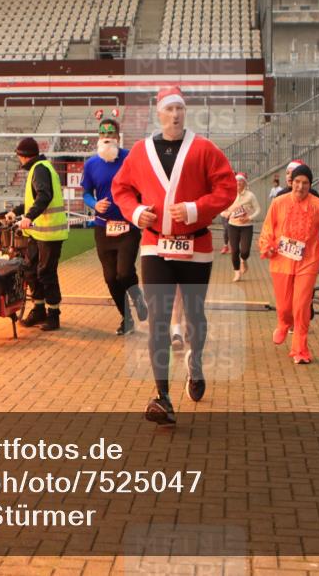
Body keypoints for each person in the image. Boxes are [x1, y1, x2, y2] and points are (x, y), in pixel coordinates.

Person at [112, 85, 237, 425]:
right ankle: (162, 396)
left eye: (180, 108)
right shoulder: (141, 151)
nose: (176, 114)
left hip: (196, 246)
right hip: (155, 245)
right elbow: (121, 189)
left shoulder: (204, 149)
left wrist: (197, 209)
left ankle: (194, 363)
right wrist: (136, 212)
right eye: (170, 109)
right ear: (159, 113)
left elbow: (227, 188)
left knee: (194, 315)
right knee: (158, 320)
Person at [259, 163, 319, 365]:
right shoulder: (278, 203)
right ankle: (283, 322)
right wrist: (267, 246)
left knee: (301, 305)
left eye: (305, 183)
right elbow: (267, 229)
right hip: (281, 260)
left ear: (310, 184)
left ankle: (300, 349)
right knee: (284, 306)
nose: (300, 186)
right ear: (291, 182)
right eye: (297, 181)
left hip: (308, 260)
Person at [81, 115, 147, 335]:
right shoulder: (91, 164)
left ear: (118, 136)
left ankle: (137, 295)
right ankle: (126, 318)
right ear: (98, 137)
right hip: (103, 228)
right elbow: (86, 193)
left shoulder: (130, 158)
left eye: (110, 133)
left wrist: (141, 209)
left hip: (128, 226)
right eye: (103, 133)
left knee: (124, 273)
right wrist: (94, 204)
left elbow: (144, 186)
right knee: (110, 278)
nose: (106, 137)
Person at [6, 137, 68, 331]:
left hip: (49, 233)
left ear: (23, 156)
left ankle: (53, 315)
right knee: (31, 271)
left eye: (18, 156)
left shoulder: (40, 169)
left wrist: (29, 217)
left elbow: (44, 196)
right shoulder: (39, 168)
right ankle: (39, 310)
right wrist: (16, 212)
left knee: (46, 273)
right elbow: (34, 200)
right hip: (38, 232)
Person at [221, 172, 261, 282]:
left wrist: (249, 218)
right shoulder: (230, 194)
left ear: (245, 183)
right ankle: (237, 272)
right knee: (234, 251)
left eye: (241, 181)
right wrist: (226, 214)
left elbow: (258, 209)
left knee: (245, 251)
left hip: (247, 226)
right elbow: (222, 209)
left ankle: (244, 260)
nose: (238, 183)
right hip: (232, 226)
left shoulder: (250, 195)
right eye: (236, 181)